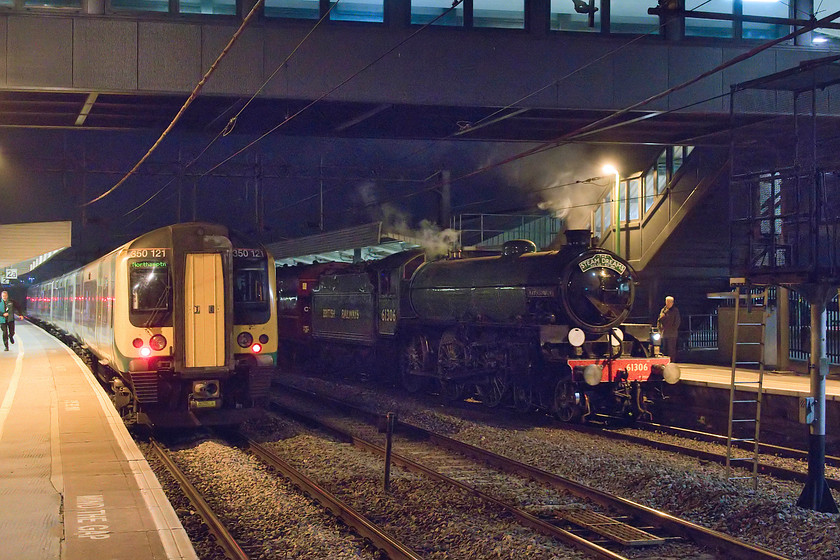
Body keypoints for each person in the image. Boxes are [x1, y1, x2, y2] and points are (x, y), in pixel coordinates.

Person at [657, 295, 681, 362]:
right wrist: (660, 329)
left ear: (672, 303)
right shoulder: (663, 310)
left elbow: (677, 322)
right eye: (666, 302)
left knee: (671, 349)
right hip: (664, 333)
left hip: (671, 334)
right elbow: (659, 320)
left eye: (669, 302)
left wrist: (673, 329)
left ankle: (671, 361)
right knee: (664, 349)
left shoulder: (675, 311)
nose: (667, 303)